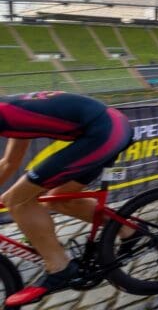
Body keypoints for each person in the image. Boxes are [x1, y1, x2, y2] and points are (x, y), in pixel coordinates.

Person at [0, 91, 133, 306]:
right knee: (57, 199)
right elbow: (9, 162)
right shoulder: (9, 108)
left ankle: (60, 267)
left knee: (16, 199)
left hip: (103, 132)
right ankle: (128, 231)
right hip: (109, 127)